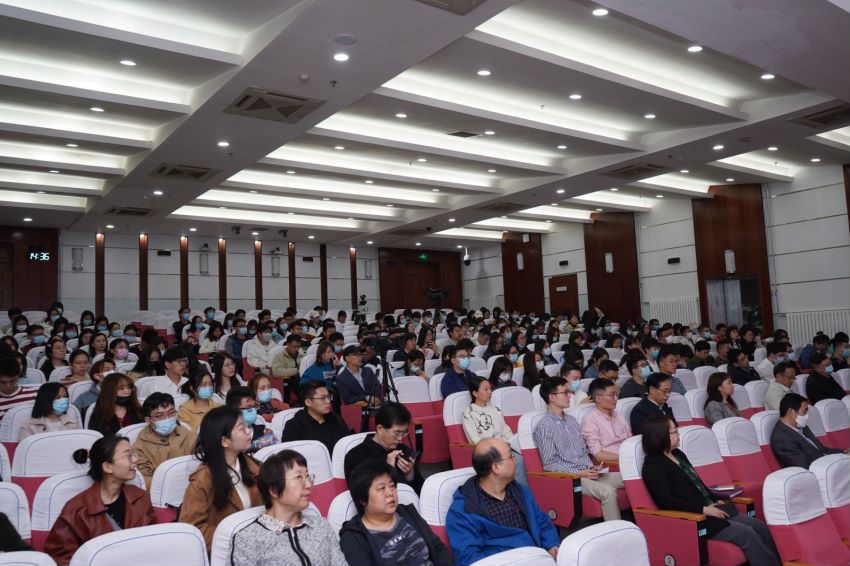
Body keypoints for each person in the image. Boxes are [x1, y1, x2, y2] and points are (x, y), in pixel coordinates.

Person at [641, 415, 780, 566]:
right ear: (660, 435)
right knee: (747, 534)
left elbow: (699, 486)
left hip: (712, 509)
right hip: (695, 519)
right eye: (674, 431)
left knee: (760, 527)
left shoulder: (678, 454)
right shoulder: (652, 466)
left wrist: (715, 500)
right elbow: (668, 502)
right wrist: (704, 509)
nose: (678, 434)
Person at [44, 436, 158, 565]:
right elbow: (60, 557)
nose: (135, 460)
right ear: (107, 467)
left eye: (134, 454)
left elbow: (153, 541)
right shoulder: (76, 509)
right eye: (128, 456)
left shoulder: (141, 497)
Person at [445, 437, 559, 566]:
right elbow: (469, 558)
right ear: (496, 468)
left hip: (538, 558)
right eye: (511, 456)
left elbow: (543, 523)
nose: (515, 460)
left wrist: (552, 545)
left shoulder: (520, 491)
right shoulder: (463, 510)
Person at [231, 449, 348, 566]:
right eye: (299, 477)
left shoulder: (321, 526)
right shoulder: (248, 539)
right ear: (274, 490)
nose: (308, 485)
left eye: (308, 476)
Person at [533, 377, 624, 520]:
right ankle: (617, 531)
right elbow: (549, 464)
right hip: (572, 479)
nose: (570, 396)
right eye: (565, 393)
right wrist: (579, 473)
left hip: (589, 471)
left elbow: (583, 452)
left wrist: (592, 467)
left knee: (629, 478)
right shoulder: (544, 427)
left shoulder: (572, 420)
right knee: (608, 491)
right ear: (552, 397)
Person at [340, 459, 452, 566]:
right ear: (362, 499)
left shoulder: (408, 513)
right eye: (381, 488)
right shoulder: (353, 537)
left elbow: (438, 548)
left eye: (392, 486)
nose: (390, 493)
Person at [181, 406, 261, 552]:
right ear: (225, 441)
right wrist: (240, 538)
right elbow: (193, 531)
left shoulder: (256, 467)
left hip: (260, 545)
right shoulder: (202, 479)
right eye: (242, 428)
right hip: (226, 552)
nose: (248, 431)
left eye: (246, 426)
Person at [462, 376, 527, 486]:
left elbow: (506, 431)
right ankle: (521, 492)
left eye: (490, 389)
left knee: (527, 457)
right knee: (517, 461)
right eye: (485, 389)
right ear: (475, 393)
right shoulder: (469, 412)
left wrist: (513, 443)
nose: (489, 392)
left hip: (506, 447)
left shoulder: (495, 409)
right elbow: (475, 440)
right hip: (490, 451)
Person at [343, 402, 422, 492]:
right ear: (380, 429)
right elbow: (361, 495)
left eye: (404, 433)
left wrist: (410, 475)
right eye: (396, 433)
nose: (400, 438)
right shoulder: (355, 457)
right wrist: (387, 470)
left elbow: (422, 492)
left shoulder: (404, 450)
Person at [770, 393, 846, 468]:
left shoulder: (802, 426)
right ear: (790, 412)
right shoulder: (781, 439)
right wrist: (838, 463)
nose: (807, 416)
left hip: (827, 464)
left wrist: (844, 452)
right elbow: (805, 467)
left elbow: (822, 450)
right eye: (804, 411)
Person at [133, 393, 194, 487]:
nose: (167, 419)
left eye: (171, 413)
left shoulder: (186, 433)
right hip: (162, 490)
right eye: (159, 416)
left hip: (191, 483)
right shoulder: (140, 446)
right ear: (148, 420)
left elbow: (200, 460)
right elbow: (145, 479)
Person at [282, 382, 351, 454]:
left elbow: (347, 444)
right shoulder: (294, 426)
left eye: (328, 396)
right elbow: (288, 457)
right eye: (322, 398)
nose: (328, 401)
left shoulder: (335, 418)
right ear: (308, 402)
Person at [581, 378, 631, 461]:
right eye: (612, 395)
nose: (616, 398)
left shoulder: (618, 414)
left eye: (616, 395)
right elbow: (598, 454)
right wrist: (626, 458)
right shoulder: (590, 420)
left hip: (627, 455)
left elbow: (629, 439)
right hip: (611, 462)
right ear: (598, 398)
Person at [178, 368, 221, 435]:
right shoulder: (184, 410)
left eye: (210, 384)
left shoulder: (218, 408)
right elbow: (186, 436)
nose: (208, 387)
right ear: (192, 388)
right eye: (203, 385)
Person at [0, 356, 39, 421]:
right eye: (2, 382)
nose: (8, 386)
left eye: (12, 381)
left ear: (19, 376)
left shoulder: (34, 394)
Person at [271, 334, 304, 401]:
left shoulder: (302, 355)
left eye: (298, 346)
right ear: (288, 344)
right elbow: (276, 372)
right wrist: (296, 371)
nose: (297, 349)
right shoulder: (279, 357)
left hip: (302, 379)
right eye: (294, 346)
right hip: (289, 380)